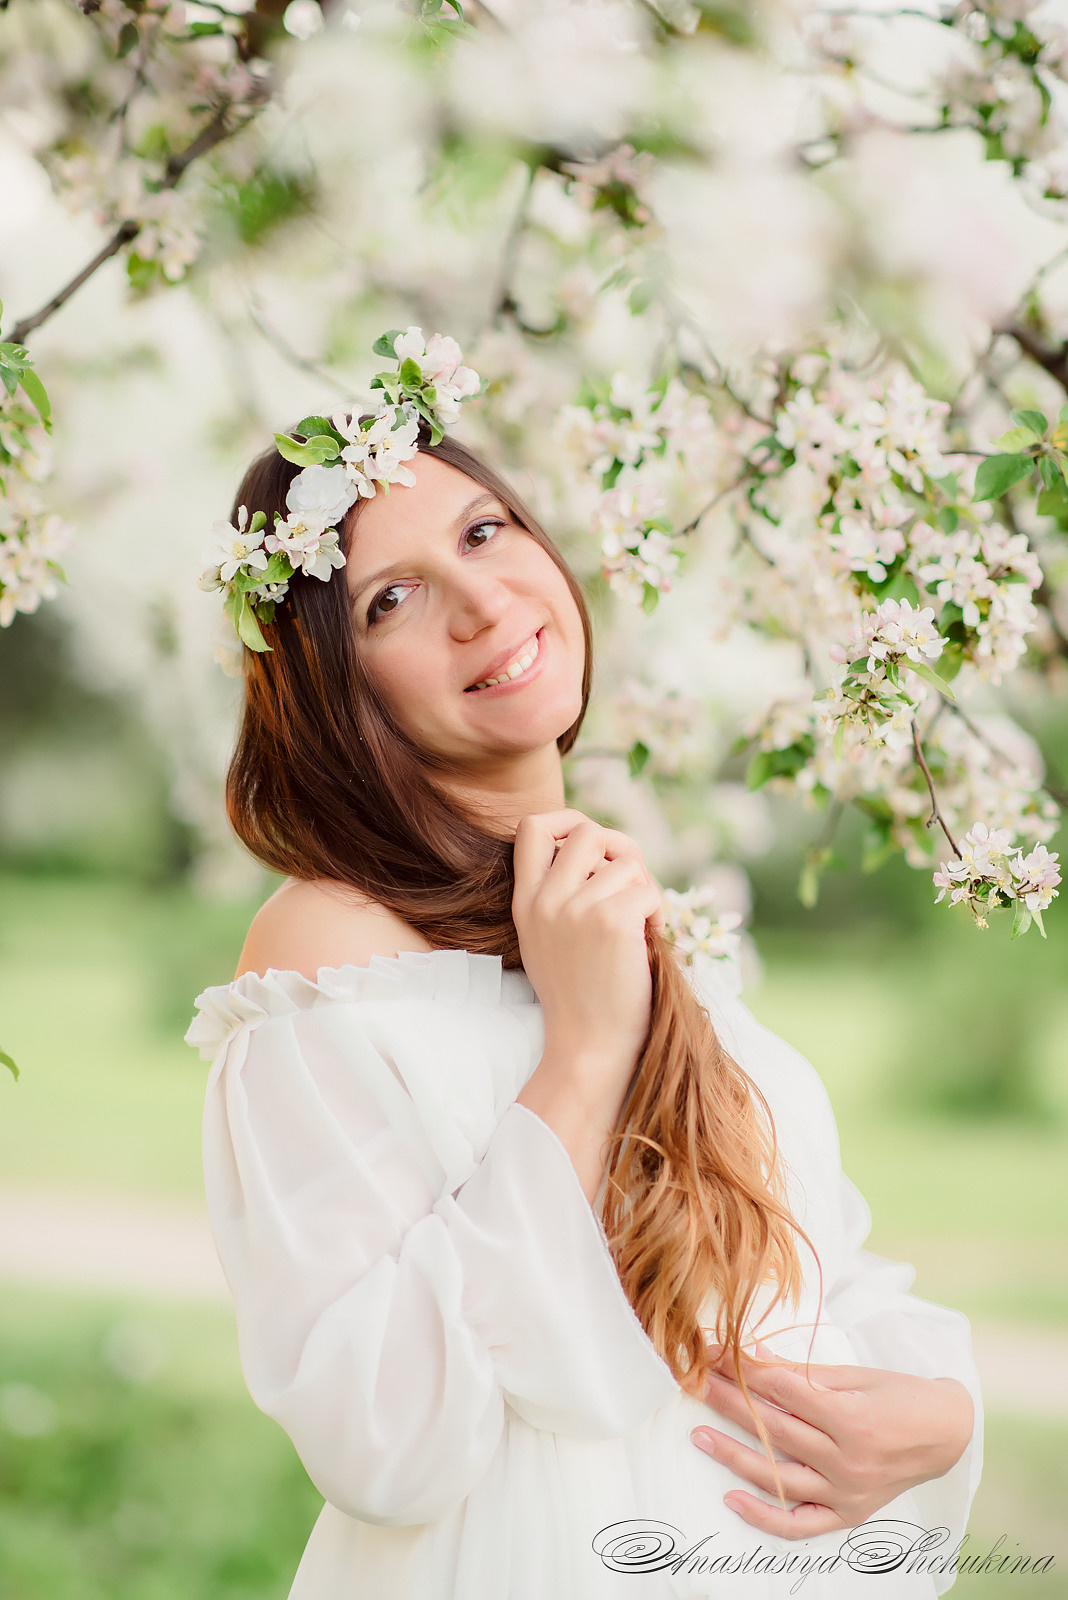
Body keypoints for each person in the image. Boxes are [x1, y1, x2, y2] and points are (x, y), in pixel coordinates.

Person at [187, 345, 982, 1599]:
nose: (485, 602)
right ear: (339, 688)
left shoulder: (612, 908)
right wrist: (584, 1052)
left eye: (487, 531)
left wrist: (944, 1417)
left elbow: (805, 1264)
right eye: (392, 598)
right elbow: (383, 1436)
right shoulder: (328, 957)